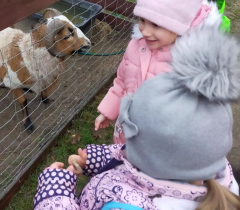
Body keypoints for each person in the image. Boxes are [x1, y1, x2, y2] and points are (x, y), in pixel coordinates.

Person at [33, 18, 240, 209]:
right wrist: (99, 159)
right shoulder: (208, 169)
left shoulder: (125, 206)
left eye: (132, 137)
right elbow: (131, 153)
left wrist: (53, 194)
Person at [94, 0, 226, 144]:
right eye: (142, 20)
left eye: (156, 25)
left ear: (178, 26)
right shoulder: (135, 46)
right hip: (126, 134)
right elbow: (121, 82)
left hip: (160, 147)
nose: (145, 31)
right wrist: (108, 111)